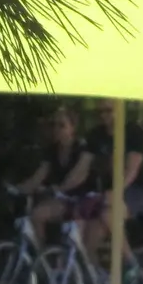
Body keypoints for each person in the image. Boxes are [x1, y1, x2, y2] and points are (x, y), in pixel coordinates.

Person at [74, 100, 143, 280]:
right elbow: (82, 168)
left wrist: (116, 190)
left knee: (107, 213)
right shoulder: (95, 135)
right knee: (89, 239)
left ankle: (131, 263)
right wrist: (63, 188)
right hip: (109, 194)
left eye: (108, 110)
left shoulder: (133, 131)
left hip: (136, 191)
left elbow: (132, 168)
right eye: (100, 112)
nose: (103, 115)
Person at [14, 105, 93, 246]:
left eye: (62, 125)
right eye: (54, 125)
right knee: (37, 215)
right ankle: (42, 257)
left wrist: (57, 189)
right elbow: (39, 176)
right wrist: (19, 189)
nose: (56, 129)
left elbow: (78, 176)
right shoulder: (52, 150)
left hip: (84, 200)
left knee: (75, 241)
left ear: (72, 128)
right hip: (63, 200)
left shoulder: (82, 148)